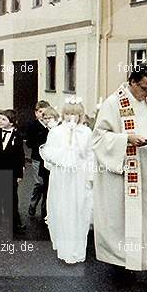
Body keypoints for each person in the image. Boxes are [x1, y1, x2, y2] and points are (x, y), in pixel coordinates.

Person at [92, 63, 147, 283]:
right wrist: (126, 139)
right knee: (122, 219)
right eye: (144, 88)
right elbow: (99, 137)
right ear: (132, 82)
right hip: (123, 172)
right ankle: (121, 267)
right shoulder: (113, 103)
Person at [40, 98, 94, 263]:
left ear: (80, 115)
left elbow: (91, 154)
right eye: (69, 113)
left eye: (76, 114)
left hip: (79, 177)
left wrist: (91, 175)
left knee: (79, 210)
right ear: (63, 114)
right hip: (62, 178)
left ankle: (77, 249)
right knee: (63, 209)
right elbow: (49, 153)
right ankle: (64, 247)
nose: (72, 117)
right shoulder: (56, 132)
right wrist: (64, 153)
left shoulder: (85, 132)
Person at [0, 109, 26, 233]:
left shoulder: (17, 136)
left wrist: (19, 174)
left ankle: (15, 223)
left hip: (11, 171)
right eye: (0, 118)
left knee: (12, 198)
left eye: (4, 119)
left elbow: (20, 156)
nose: (0, 121)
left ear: (12, 122)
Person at [26, 100, 51, 219]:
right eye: (40, 112)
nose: (43, 114)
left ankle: (45, 210)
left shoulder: (51, 126)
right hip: (37, 158)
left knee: (47, 185)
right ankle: (33, 204)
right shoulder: (33, 125)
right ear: (36, 113)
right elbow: (30, 143)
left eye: (45, 112)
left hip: (49, 158)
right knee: (39, 183)